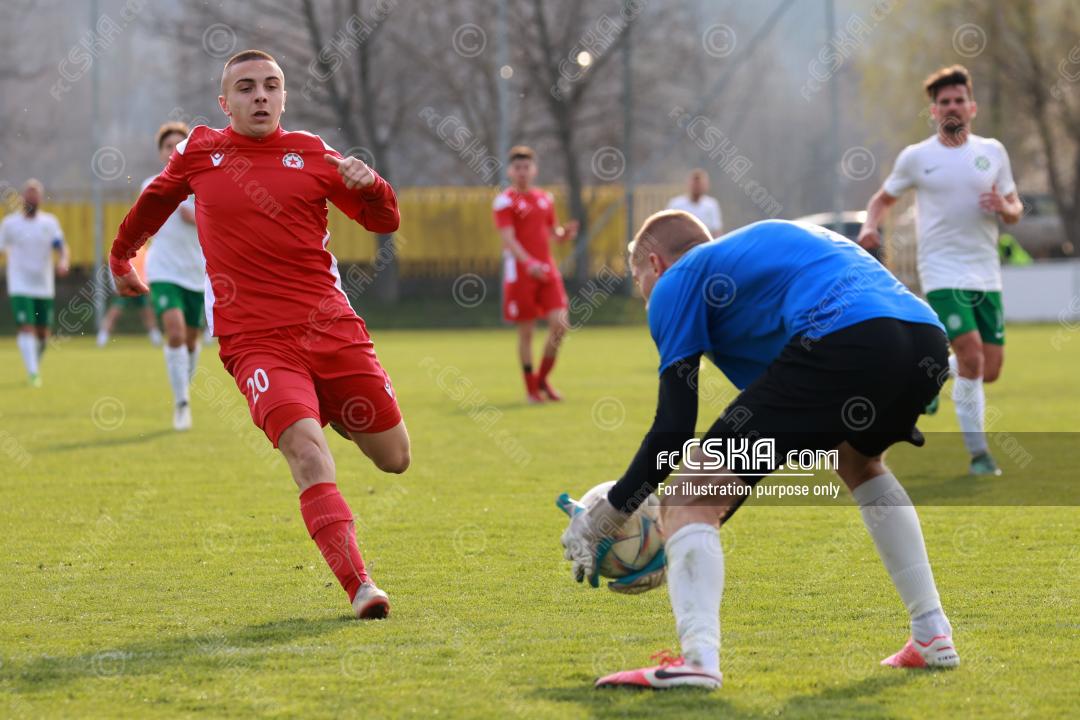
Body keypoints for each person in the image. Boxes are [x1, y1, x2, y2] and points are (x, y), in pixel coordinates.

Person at [561, 212, 959, 689]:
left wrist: (609, 513)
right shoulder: (750, 267)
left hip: (849, 336)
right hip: (924, 338)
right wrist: (678, 539)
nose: (644, 292)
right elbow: (759, 454)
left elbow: (673, 432)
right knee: (857, 461)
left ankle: (697, 661)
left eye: (637, 279)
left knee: (687, 495)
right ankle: (931, 632)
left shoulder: (676, 280)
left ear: (655, 264)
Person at [110, 49, 408, 619]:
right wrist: (122, 256)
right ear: (225, 103)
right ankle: (361, 586)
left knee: (394, 458)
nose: (261, 96)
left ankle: (331, 408)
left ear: (284, 97)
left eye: (271, 85)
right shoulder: (200, 152)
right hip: (255, 341)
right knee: (306, 452)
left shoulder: (312, 153)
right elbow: (154, 202)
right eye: (246, 88)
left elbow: (383, 221)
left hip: (331, 328)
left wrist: (372, 184)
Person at [859, 65, 1021, 476]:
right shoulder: (918, 157)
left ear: (972, 107)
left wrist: (1005, 207)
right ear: (934, 111)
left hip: (986, 273)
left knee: (989, 369)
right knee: (972, 357)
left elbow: (1015, 207)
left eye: (958, 100)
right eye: (944, 101)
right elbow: (882, 199)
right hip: (942, 271)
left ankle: (929, 373)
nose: (952, 107)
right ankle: (980, 455)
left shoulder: (993, 152)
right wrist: (869, 226)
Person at [492, 146, 578, 403]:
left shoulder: (545, 198)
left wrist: (563, 234)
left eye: (526, 167)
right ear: (510, 171)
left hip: (547, 270)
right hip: (521, 272)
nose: (522, 172)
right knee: (527, 332)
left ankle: (542, 379)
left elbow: (551, 231)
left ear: (534, 170)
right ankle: (531, 389)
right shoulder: (505, 201)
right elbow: (509, 238)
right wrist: (528, 262)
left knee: (560, 325)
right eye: (517, 167)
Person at [143, 121, 206, 431]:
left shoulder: (205, 186)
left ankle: (183, 387)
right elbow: (141, 223)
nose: (173, 151)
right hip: (163, 271)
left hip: (196, 274)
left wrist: (197, 216)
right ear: (161, 153)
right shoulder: (152, 185)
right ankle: (181, 404)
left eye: (179, 146)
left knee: (191, 342)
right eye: (168, 146)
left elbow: (224, 222)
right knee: (176, 333)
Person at [1, 179, 69, 386]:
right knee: (26, 327)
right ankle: (33, 374)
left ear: (40, 199)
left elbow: (61, 246)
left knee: (43, 335)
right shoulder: (10, 224)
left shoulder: (49, 222)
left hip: (43, 285)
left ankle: (34, 367)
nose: (32, 198)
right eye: (28, 194)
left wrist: (63, 261)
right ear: (22, 198)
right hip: (20, 284)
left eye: (36, 194)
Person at [97, 244, 163, 348]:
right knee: (114, 313)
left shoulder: (143, 250)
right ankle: (102, 337)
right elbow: (113, 267)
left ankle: (155, 336)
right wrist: (115, 286)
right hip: (125, 285)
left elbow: (147, 268)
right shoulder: (119, 248)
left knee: (147, 312)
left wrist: (147, 284)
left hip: (140, 285)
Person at [666, 169, 722, 237]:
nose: (697, 187)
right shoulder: (676, 204)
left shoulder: (711, 205)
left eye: (700, 184)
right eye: (695, 184)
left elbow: (716, 230)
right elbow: (667, 228)